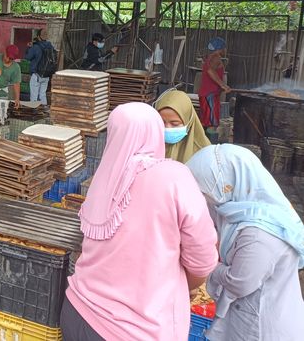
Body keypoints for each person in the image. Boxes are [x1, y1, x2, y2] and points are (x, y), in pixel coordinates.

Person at [62, 102, 218, 341]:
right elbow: (203, 261)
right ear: (155, 131)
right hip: (133, 330)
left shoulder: (102, 178)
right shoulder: (173, 176)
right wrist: (178, 286)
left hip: (77, 309)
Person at [186, 144, 304, 341]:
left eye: (204, 189)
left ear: (226, 184)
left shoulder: (260, 231)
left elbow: (240, 282)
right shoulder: (237, 212)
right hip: (248, 317)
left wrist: (208, 266)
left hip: (265, 328)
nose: (202, 197)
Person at [154, 89, 211, 163]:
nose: (167, 128)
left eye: (175, 124)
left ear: (189, 121)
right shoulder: (148, 145)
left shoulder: (204, 153)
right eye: (162, 122)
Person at [199, 37, 231, 129]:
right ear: (220, 48)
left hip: (210, 94)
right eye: (224, 47)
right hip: (209, 94)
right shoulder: (216, 57)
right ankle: (210, 141)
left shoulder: (211, 57)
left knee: (208, 121)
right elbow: (210, 71)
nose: (225, 50)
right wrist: (223, 85)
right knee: (211, 124)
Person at [25, 30, 57, 104]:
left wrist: (29, 48)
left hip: (37, 75)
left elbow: (27, 57)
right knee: (42, 95)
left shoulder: (36, 47)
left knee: (34, 96)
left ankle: (34, 113)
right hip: (46, 75)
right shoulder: (50, 46)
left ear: (38, 37)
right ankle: (44, 112)